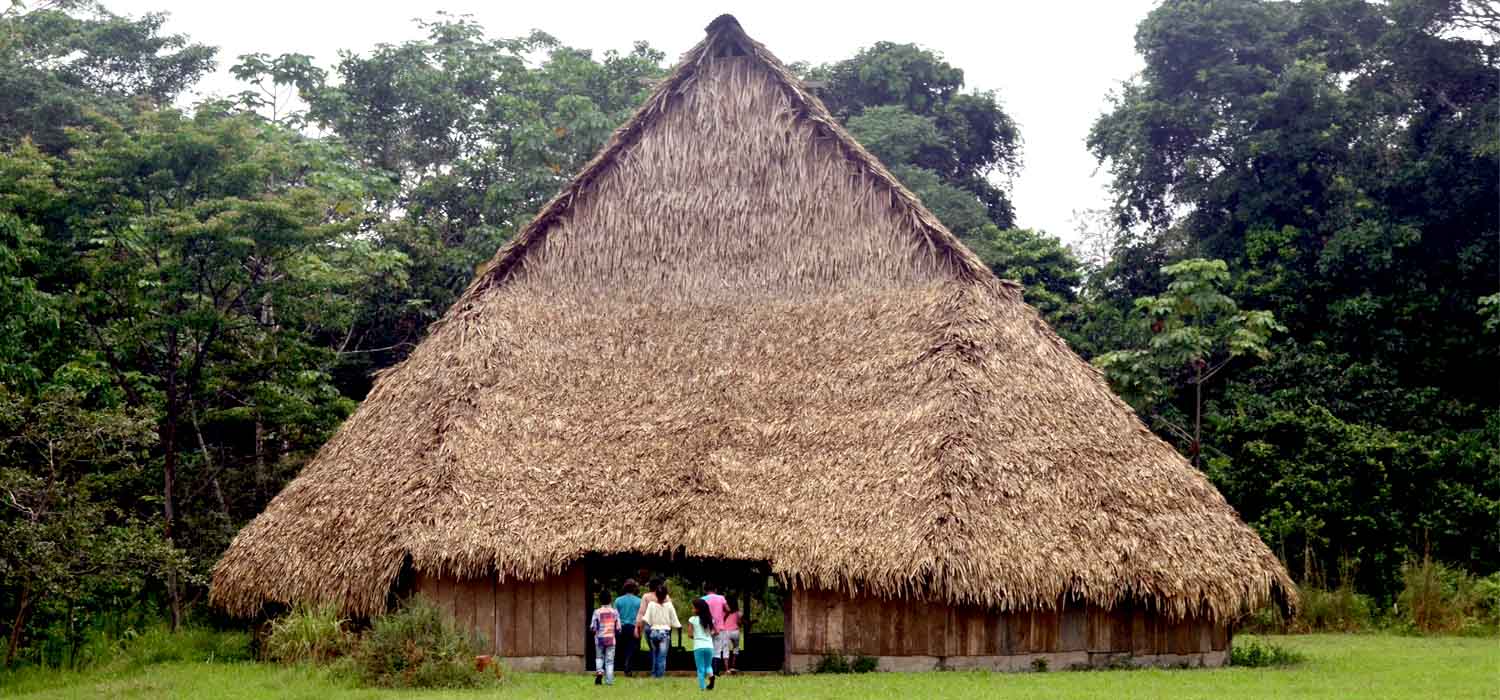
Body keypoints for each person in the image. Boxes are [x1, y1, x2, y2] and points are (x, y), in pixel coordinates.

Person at [641, 582, 680, 678]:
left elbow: (647, 620)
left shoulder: (651, 605)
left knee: (654, 654)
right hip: (664, 633)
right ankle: (660, 676)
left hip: (653, 632)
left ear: (656, 595)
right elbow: (675, 621)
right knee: (662, 657)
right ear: (666, 595)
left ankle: (653, 674)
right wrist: (676, 626)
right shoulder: (669, 605)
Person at [589, 591, 622, 686]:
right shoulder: (615, 612)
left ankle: (599, 671)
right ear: (610, 600)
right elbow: (619, 628)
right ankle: (609, 681)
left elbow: (593, 627)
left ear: (600, 601)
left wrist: (595, 631)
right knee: (610, 661)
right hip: (611, 639)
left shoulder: (597, 612)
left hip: (599, 639)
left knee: (599, 657)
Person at [612, 580, 643, 677]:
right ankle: (628, 667)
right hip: (634, 628)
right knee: (632, 648)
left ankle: (621, 666)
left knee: (621, 647)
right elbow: (641, 616)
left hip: (621, 627)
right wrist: (640, 630)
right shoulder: (639, 601)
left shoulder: (618, 600)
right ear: (634, 589)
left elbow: (615, 616)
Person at [688, 597, 717, 691]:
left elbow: (690, 634)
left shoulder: (692, 619)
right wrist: (708, 636)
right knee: (708, 666)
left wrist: (696, 637)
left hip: (698, 647)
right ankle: (711, 676)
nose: (692, 609)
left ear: (698, 609)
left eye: (693, 607)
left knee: (700, 669)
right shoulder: (710, 619)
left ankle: (702, 688)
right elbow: (715, 632)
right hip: (709, 646)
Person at [702, 583, 728, 675]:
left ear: (705, 590)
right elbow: (728, 609)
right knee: (717, 650)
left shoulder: (703, 599)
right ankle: (716, 671)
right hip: (719, 627)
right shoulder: (721, 598)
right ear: (715, 589)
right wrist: (723, 617)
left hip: (706, 628)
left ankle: (708, 670)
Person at [719, 598, 741, 674]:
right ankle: (733, 667)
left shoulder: (724, 613)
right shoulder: (738, 613)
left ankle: (726, 669)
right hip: (735, 631)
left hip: (726, 632)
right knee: (736, 648)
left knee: (725, 650)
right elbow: (739, 622)